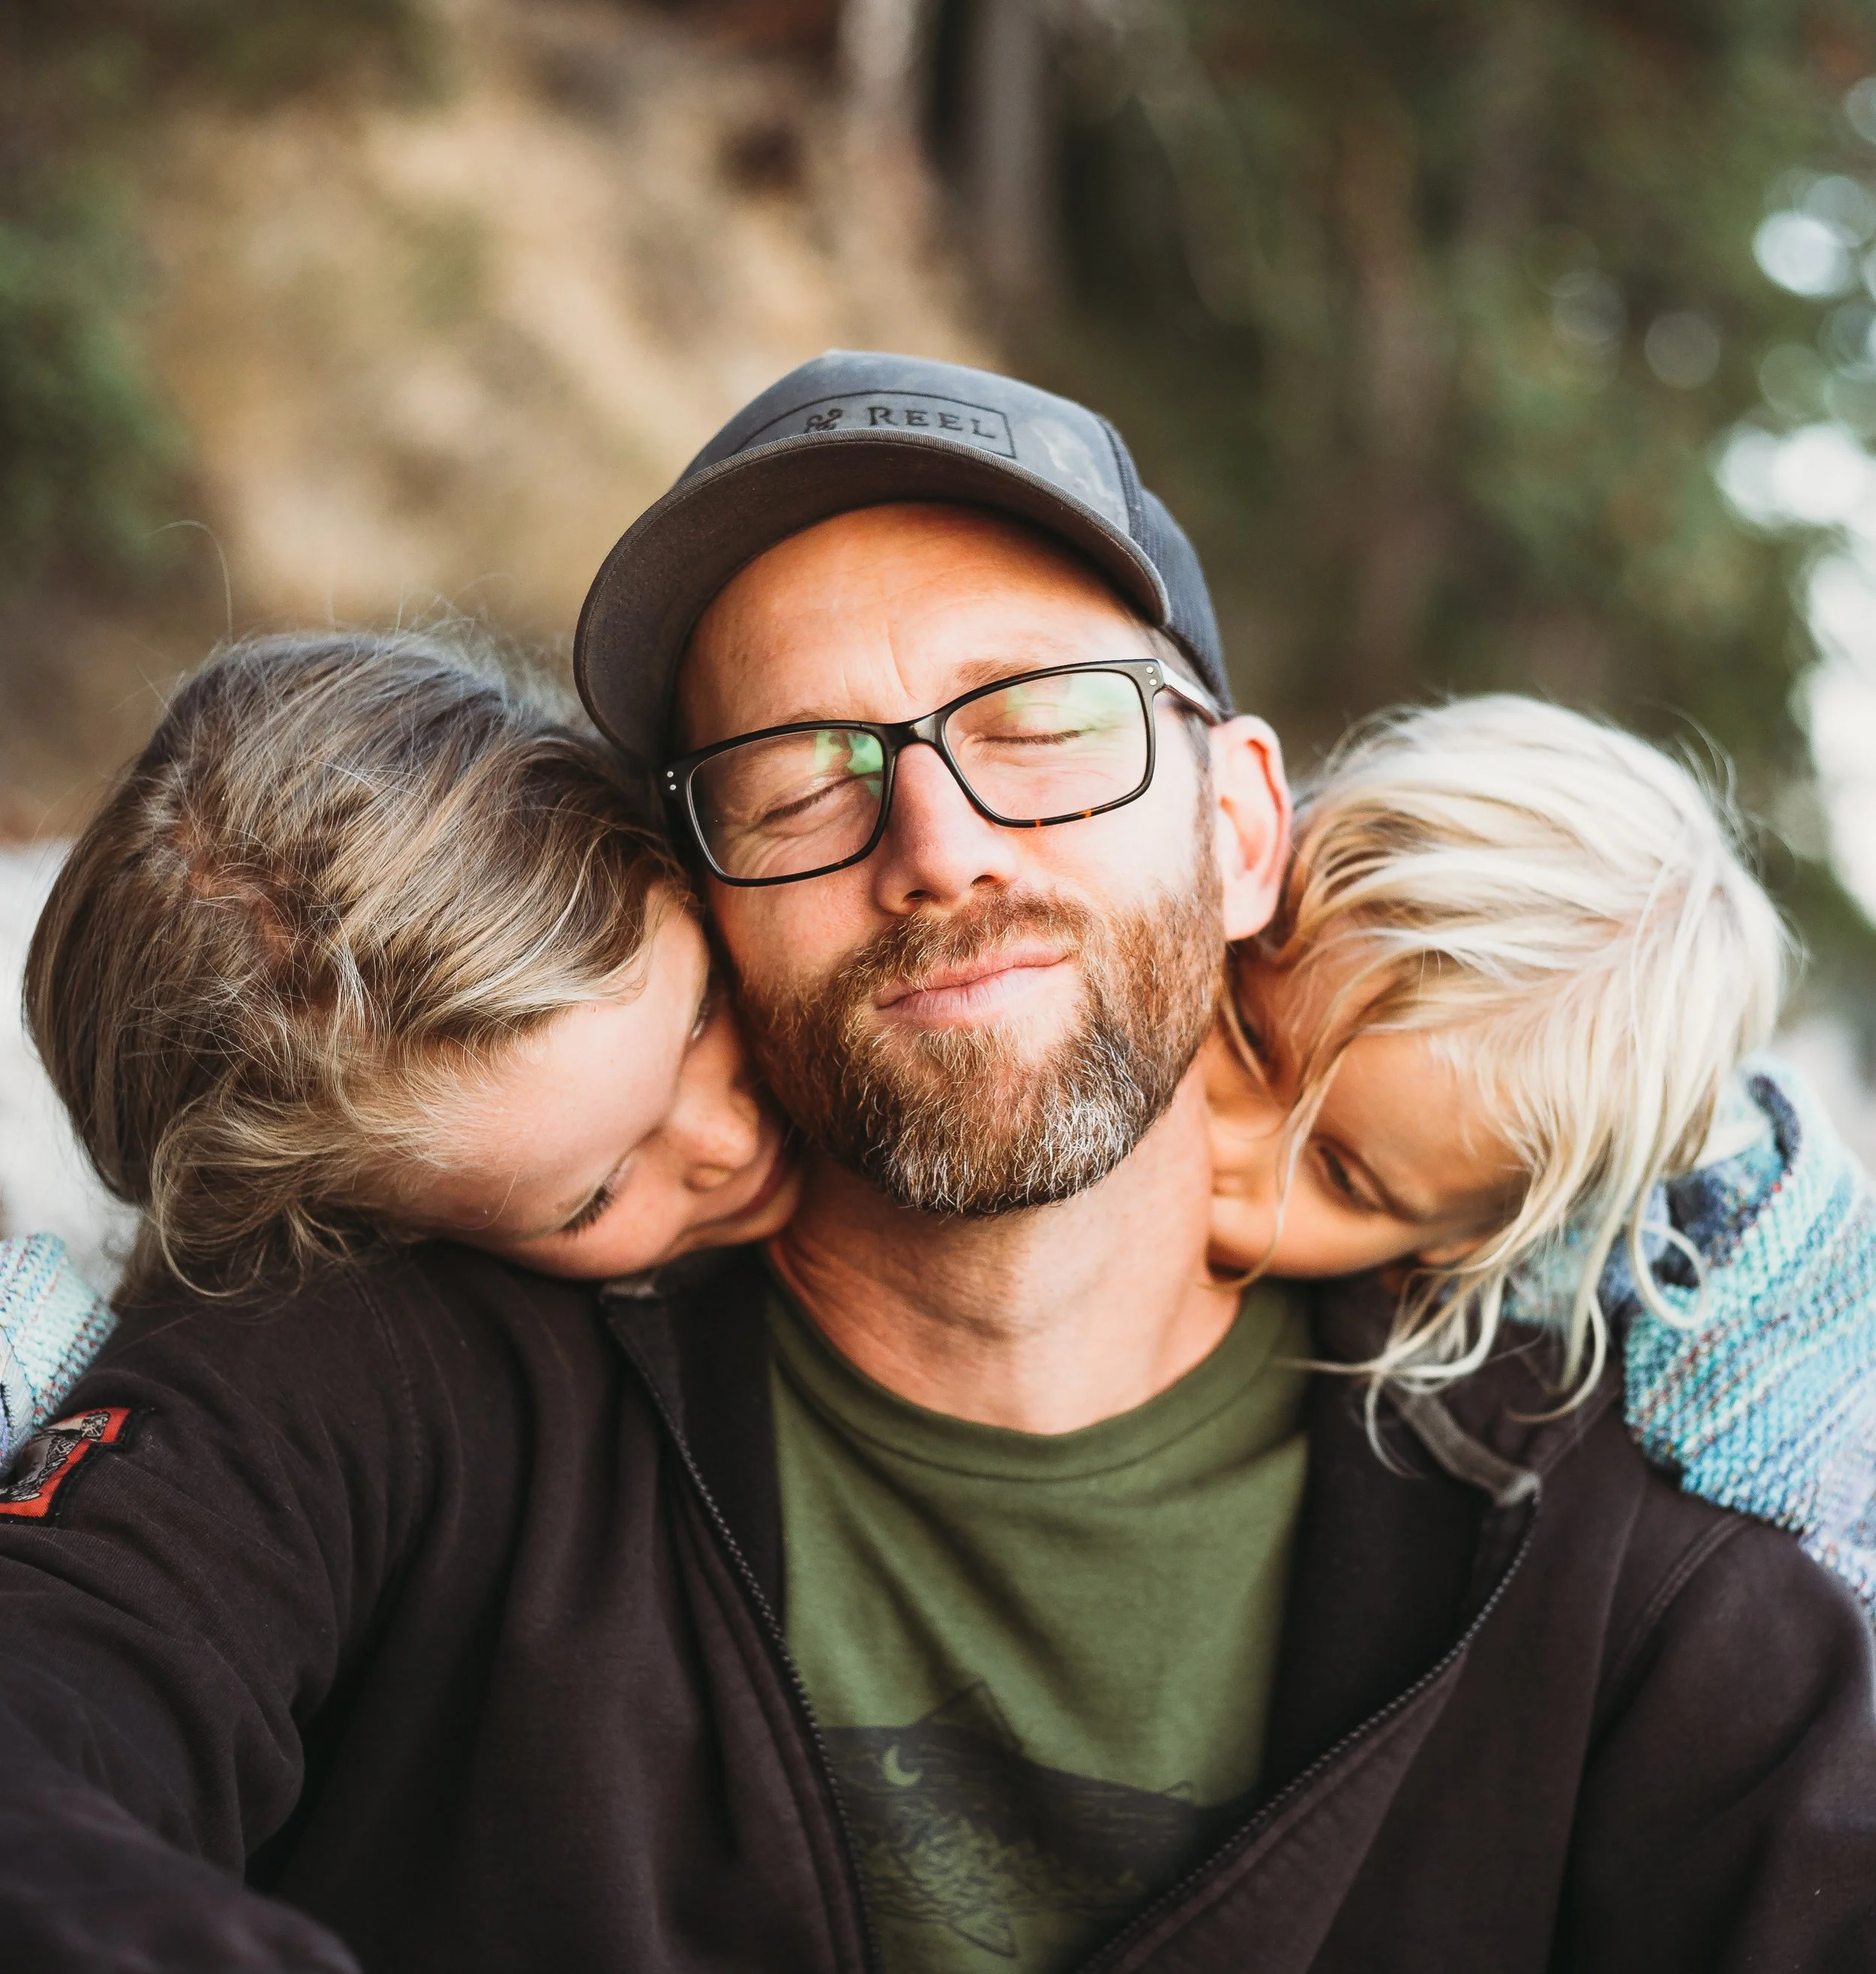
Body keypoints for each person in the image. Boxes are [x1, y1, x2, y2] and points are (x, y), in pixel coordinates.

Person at [0, 352, 1865, 1974]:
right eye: (797, 774)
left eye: (1040, 720)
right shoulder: (398, 1368)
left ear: (1237, 828)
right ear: (696, 899)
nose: (938, 833)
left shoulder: (1620, 1535)